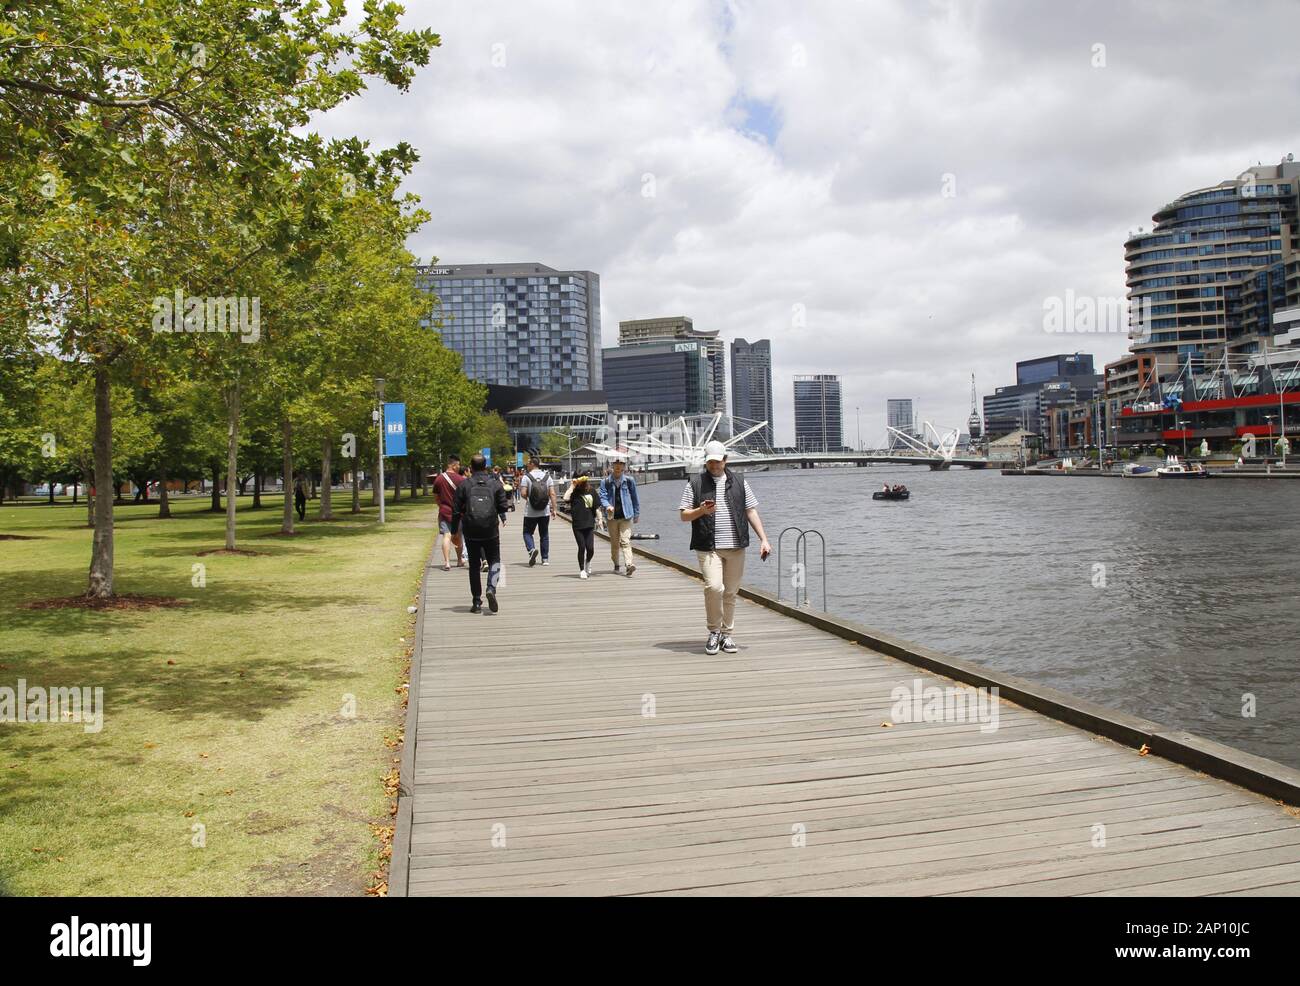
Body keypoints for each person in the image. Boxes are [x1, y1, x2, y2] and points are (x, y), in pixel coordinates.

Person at [678, 440, 771, 656]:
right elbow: (683, 515)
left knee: (730, 592)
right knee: (714, 588)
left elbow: (751, 512)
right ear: (706, 462)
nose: (714, 466)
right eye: (710, 462)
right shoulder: (695, 483)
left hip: (736, 546)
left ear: (725, 460)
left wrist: (764, 540)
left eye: (718, 462)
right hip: (708, 546)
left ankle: (726, 634)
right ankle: (713, 631)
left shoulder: (739, 481)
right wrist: (701, 511)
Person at [451, 453, 510, 613]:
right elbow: (504, 507)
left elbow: (455, 510)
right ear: (486, 466)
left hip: (471, 530)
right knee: (495, 561)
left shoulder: (464, 485)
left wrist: (454, 531)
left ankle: (476, 602)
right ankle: (491, 587)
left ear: (470, 467)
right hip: (490, 529)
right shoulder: (495, 484)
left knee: (474, 566)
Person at [598, 458, 640, 575]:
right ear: (612, 466)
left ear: (624, 467)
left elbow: (635, 498)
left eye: (620, 464)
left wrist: (636, 513)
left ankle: (629, 565)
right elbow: (602, 497)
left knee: (625, 541)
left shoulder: (629, 480)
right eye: (616, 464)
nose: (618, 466)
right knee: (615, 543)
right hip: (612, 517)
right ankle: (616, 564)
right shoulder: (605, 482)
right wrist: (607, 506)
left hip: (626, 515)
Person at [519, 456, 556, 566]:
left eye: (528, 463)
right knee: (544, 534)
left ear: (532, 464)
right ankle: (545, 559)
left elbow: (523, 493)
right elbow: (552, 494)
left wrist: (530, 499)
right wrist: (554, 509)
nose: (527, 465)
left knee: (527, 532)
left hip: (530, 511)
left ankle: (531, 549)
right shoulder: (547, 477)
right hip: (545, 511)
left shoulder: (527, 477)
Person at [432, 454, 466, 571]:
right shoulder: (461, 480)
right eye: (458, 465)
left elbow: (436, 496)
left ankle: (446, 562)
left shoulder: (439, 479)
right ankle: (459, 560)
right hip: (458, 514)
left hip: (444, 512)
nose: (459, 467)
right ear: (454, 465)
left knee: (446, 536)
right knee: (458, 537)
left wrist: (441, 506)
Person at [564, 475, 599, 578]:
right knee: (582, 547)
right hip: (578, 524)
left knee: (590, 548)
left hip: (589, 523)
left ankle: (588, 561)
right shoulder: (574, 493)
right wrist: (572, 486)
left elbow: (597, 506)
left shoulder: (591, 491)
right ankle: (582, 569)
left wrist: (600, 519)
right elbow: (565, 498)